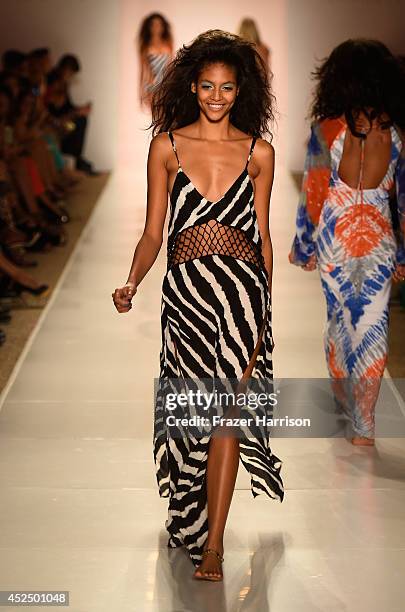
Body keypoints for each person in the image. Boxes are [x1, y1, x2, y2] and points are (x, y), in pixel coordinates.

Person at [112, 29, 284, 581]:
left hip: (240, 298)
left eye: (227, 88)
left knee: (228, 417)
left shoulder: (260, 154)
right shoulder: (166, 146)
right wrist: (132, 282)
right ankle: (188, 515)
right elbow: (153, 232)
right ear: (192, 86)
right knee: (192, 421)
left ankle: (215, 544)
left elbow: (261, 237)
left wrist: (264, 315)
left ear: (241, 91)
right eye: (208, 86)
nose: (216, 97)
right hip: (185, 298)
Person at [289, 39, 405, 446]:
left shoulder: (326, 130)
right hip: (378, 240)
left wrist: (302, 246)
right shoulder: (397, 134)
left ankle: (343, 398)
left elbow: (315, 194)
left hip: (335, 238)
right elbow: (404, 200)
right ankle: (365, 425)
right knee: (373, 326)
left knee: (340, 322)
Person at [45, 55, 97, 175]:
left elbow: (66, 108)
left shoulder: (62, 84)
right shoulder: (54, 83)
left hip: (64, 124)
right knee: (76, 124)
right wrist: (76, 112)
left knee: (78, 123)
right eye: (71, 73)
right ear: (66, 69)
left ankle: (75, 157)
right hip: (57, 125)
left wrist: (79, 110)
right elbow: (56, 109)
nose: (71, 76)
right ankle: (74, 157)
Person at [137, 13, 173, 109]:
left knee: (167, 117)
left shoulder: (168, 44)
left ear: (163, 26)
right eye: (153, 24)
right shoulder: (145, 47)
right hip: (152, 86)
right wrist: (141, 92)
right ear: (149, 27)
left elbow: (171, 67)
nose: (157, 27)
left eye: (159, 24)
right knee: (158, 116)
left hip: (166, 85)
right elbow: (143, 70)